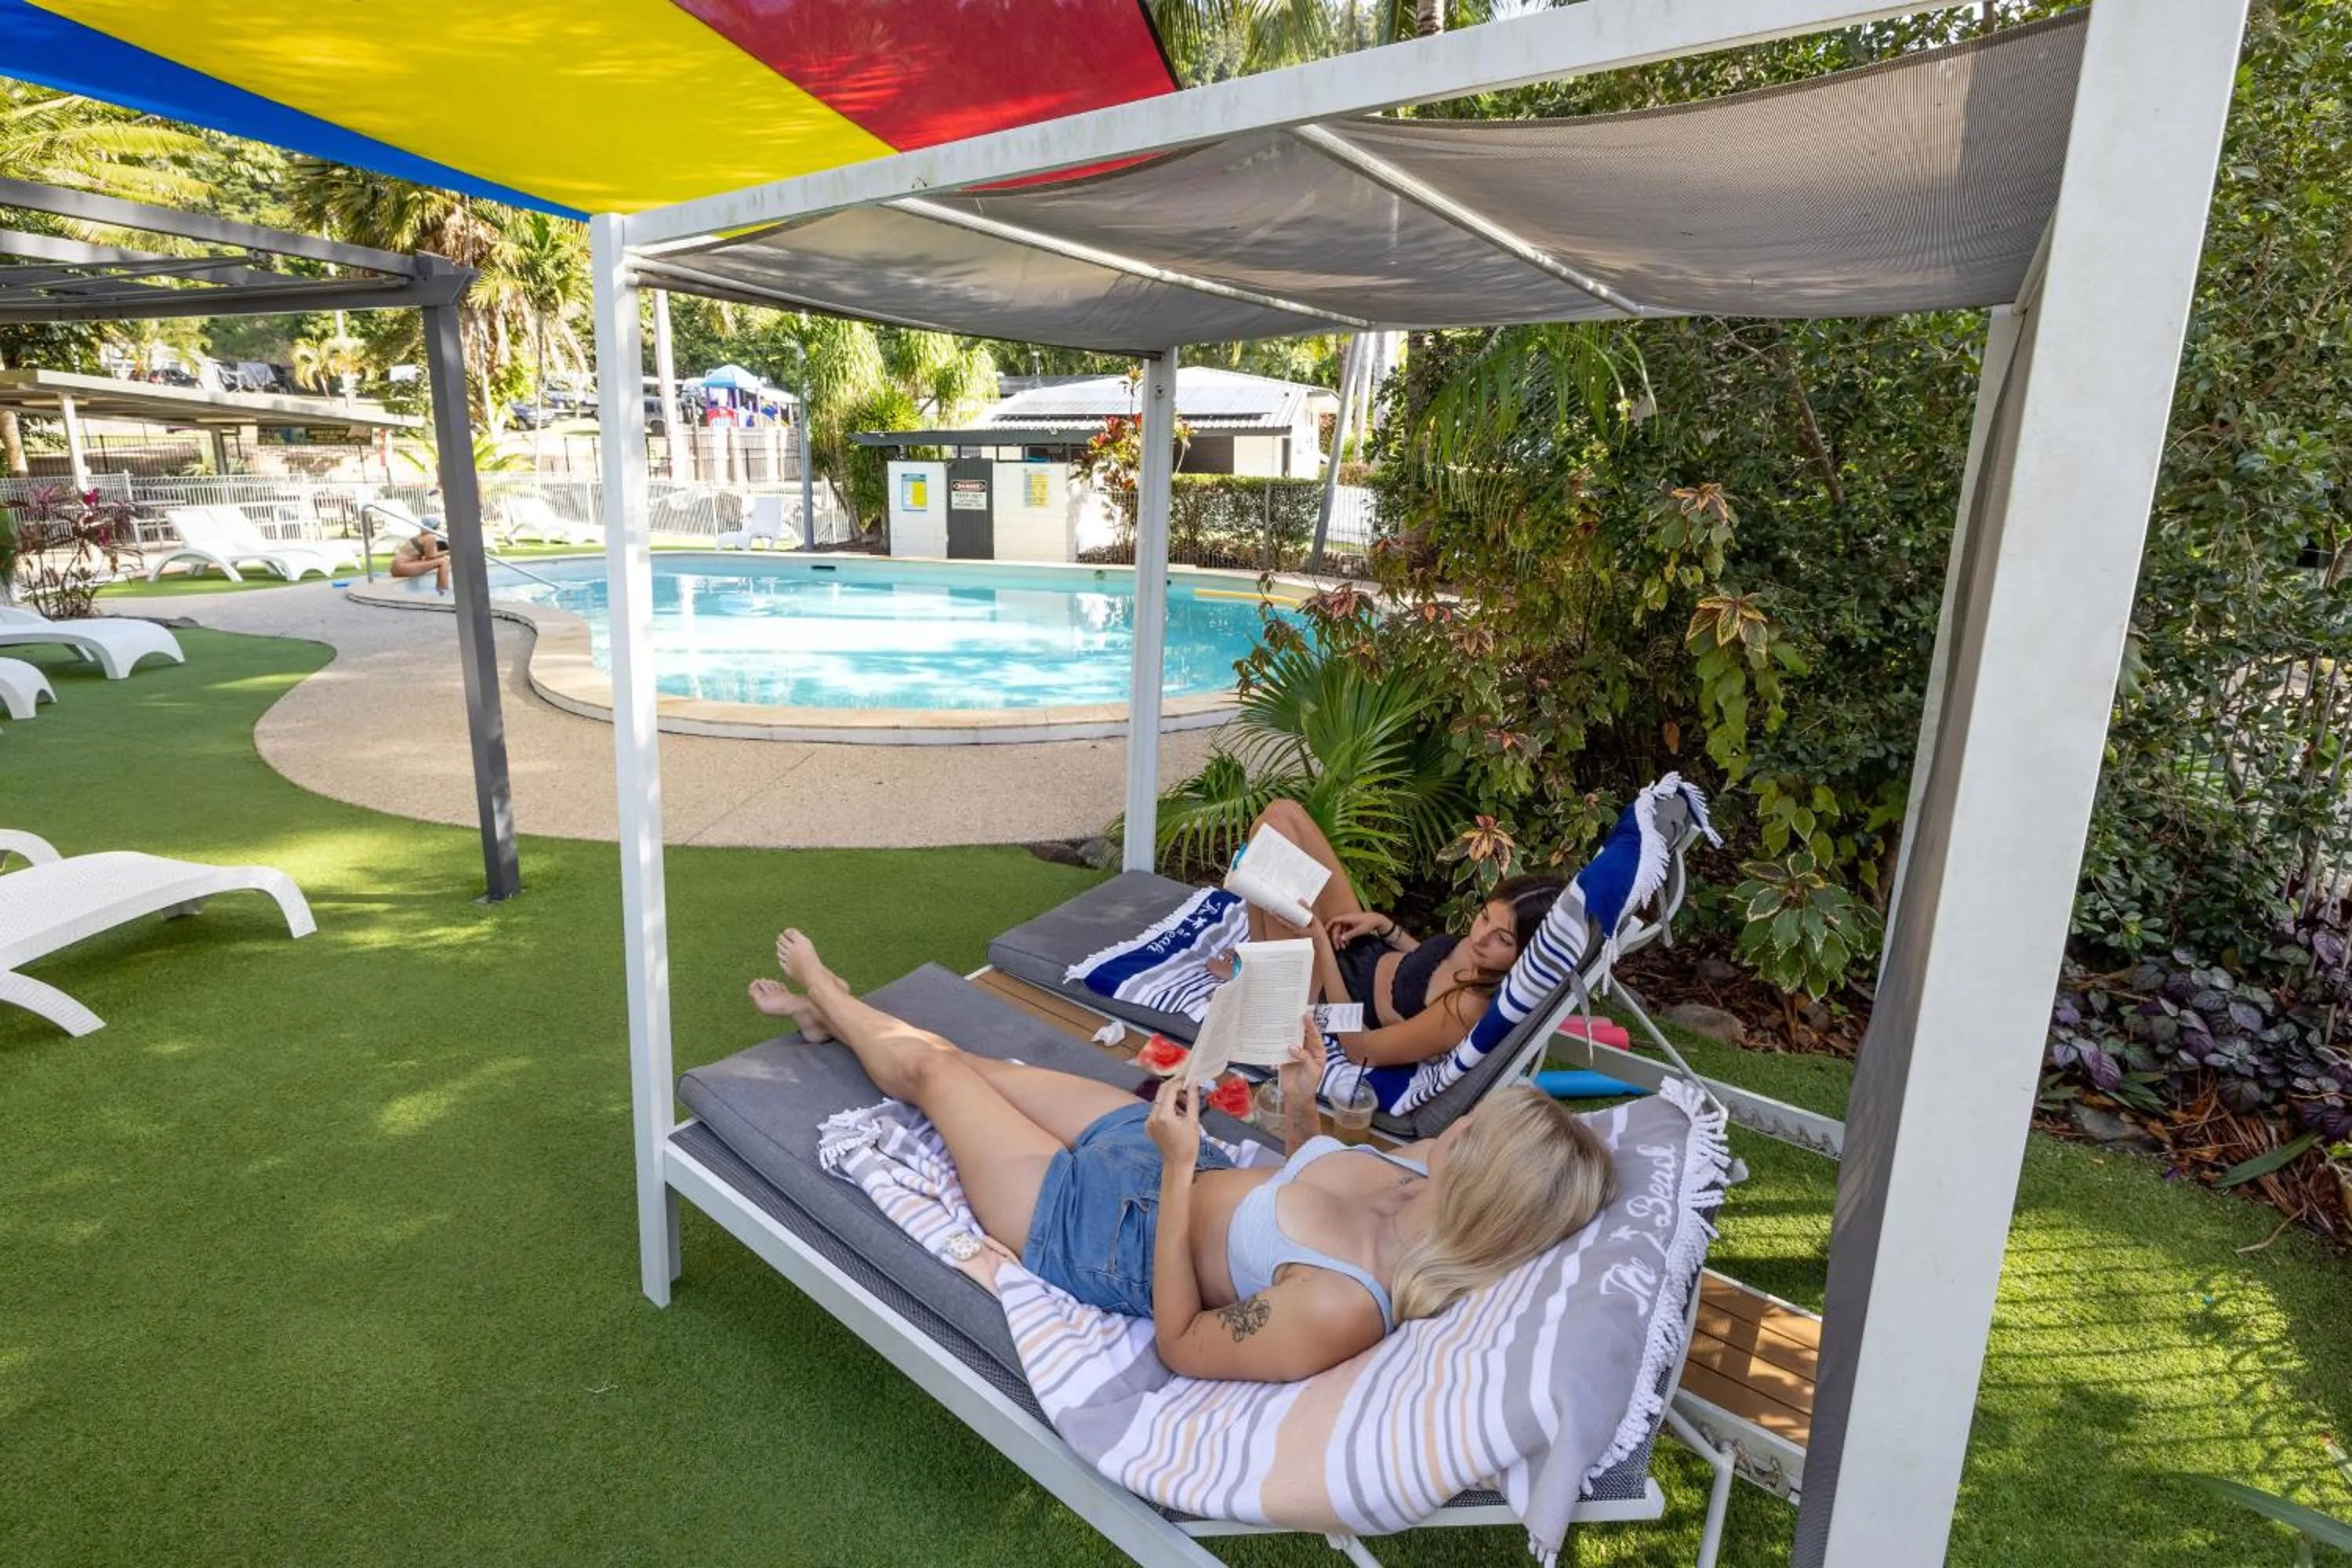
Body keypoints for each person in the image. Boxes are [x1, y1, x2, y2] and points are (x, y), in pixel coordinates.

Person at [747, 930, 1617, 1384]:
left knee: (938, 1076)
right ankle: (836, 1022)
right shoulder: (1417, 1172)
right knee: (977, 1066)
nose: (1464, 1123)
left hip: (1095, 1234)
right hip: (1168, 1156)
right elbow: (1306, 1168)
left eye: (1480, 1131)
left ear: (1486, 1186)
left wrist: (1173, 1170)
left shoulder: (1345, 1305)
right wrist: (1303, 1096)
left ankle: (824, 992)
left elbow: (1183, 1342)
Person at [1226, 799, 1569, 1072]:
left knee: (1270, 847)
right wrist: (1385, 926)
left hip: (1333, 997)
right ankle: (1259, 964)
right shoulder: (1484, 955)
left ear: (1527, 952)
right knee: (1280, 816)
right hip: (1364, 949)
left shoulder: (1467, 1007)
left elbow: (1361, 1051)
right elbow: (1432, 966)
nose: (1480, 937)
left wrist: (1321, 945)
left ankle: (1261, 983)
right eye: (1484, 917)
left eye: (1503, 939)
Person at [387, 525, 450, 592]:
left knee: (440, 560)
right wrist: (449, 551)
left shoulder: (419, 537)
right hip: (403, 567)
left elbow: (428, 557)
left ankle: (441, 589)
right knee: (444, 561)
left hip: (396, 567)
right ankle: (443, 591)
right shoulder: (429, 537)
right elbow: (431, 556)